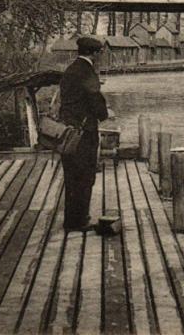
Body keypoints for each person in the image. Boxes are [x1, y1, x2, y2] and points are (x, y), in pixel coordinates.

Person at [59, 36, 108, 232]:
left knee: (71, 175)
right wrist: (104, 115)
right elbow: (95, 99)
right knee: (85, 175)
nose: (100, 56)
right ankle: (79, 221)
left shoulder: (70, 70)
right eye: (99, 53)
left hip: (67, 131)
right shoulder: (87, 72)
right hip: (84, 132)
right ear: (94, 53)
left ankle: (71, 219)